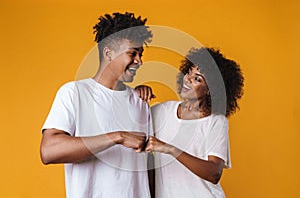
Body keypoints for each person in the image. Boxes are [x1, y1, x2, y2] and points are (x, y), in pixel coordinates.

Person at [40, 12, 153, 198]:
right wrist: (117, 137)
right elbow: (49, 151)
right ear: (108, 52)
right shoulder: (74, 93)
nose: (139, 61)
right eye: (132, 53)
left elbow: (148, 166)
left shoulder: (141, 102)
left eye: (141, 54)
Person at [144, 47, 244, 198]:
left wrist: (170, 149)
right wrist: (138, 93)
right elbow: (134, 133)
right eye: (189, 72)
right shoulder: (161, 111)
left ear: (210, 90)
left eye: (197, 79)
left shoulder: (216, 122)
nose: (188, 79)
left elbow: (214, 173)